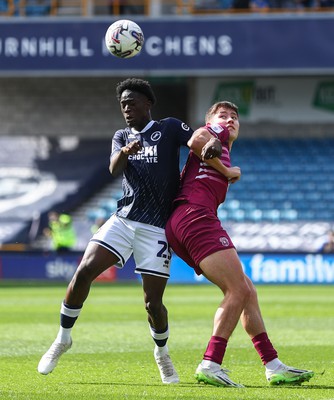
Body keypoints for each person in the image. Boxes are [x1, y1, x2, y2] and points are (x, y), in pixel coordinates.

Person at [37, 78, 238, 383]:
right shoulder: (121, 136)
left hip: (156, 228)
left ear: (148, 104)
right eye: (123, 105)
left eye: (132, 103)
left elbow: (196, 136)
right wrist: (126, 151)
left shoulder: (168, 128)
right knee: (84, 271)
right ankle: (63, 338)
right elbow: (113, 168)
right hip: (124, 219)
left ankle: (162, 353)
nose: (127, 109)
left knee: (152, 303)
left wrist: (211, 142)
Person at [166, 101, 314, 387]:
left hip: (186, 219)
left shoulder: (224, 145)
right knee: (237, 289)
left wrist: (226, 169)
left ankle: (272, 364)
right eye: (223, 115)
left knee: (247, 290)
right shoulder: (215, 133)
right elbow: (197, 138)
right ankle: (211, 362)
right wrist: (226, 169)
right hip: (194, 216)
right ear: (212, 120)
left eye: (234, 116)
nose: (229, 120)